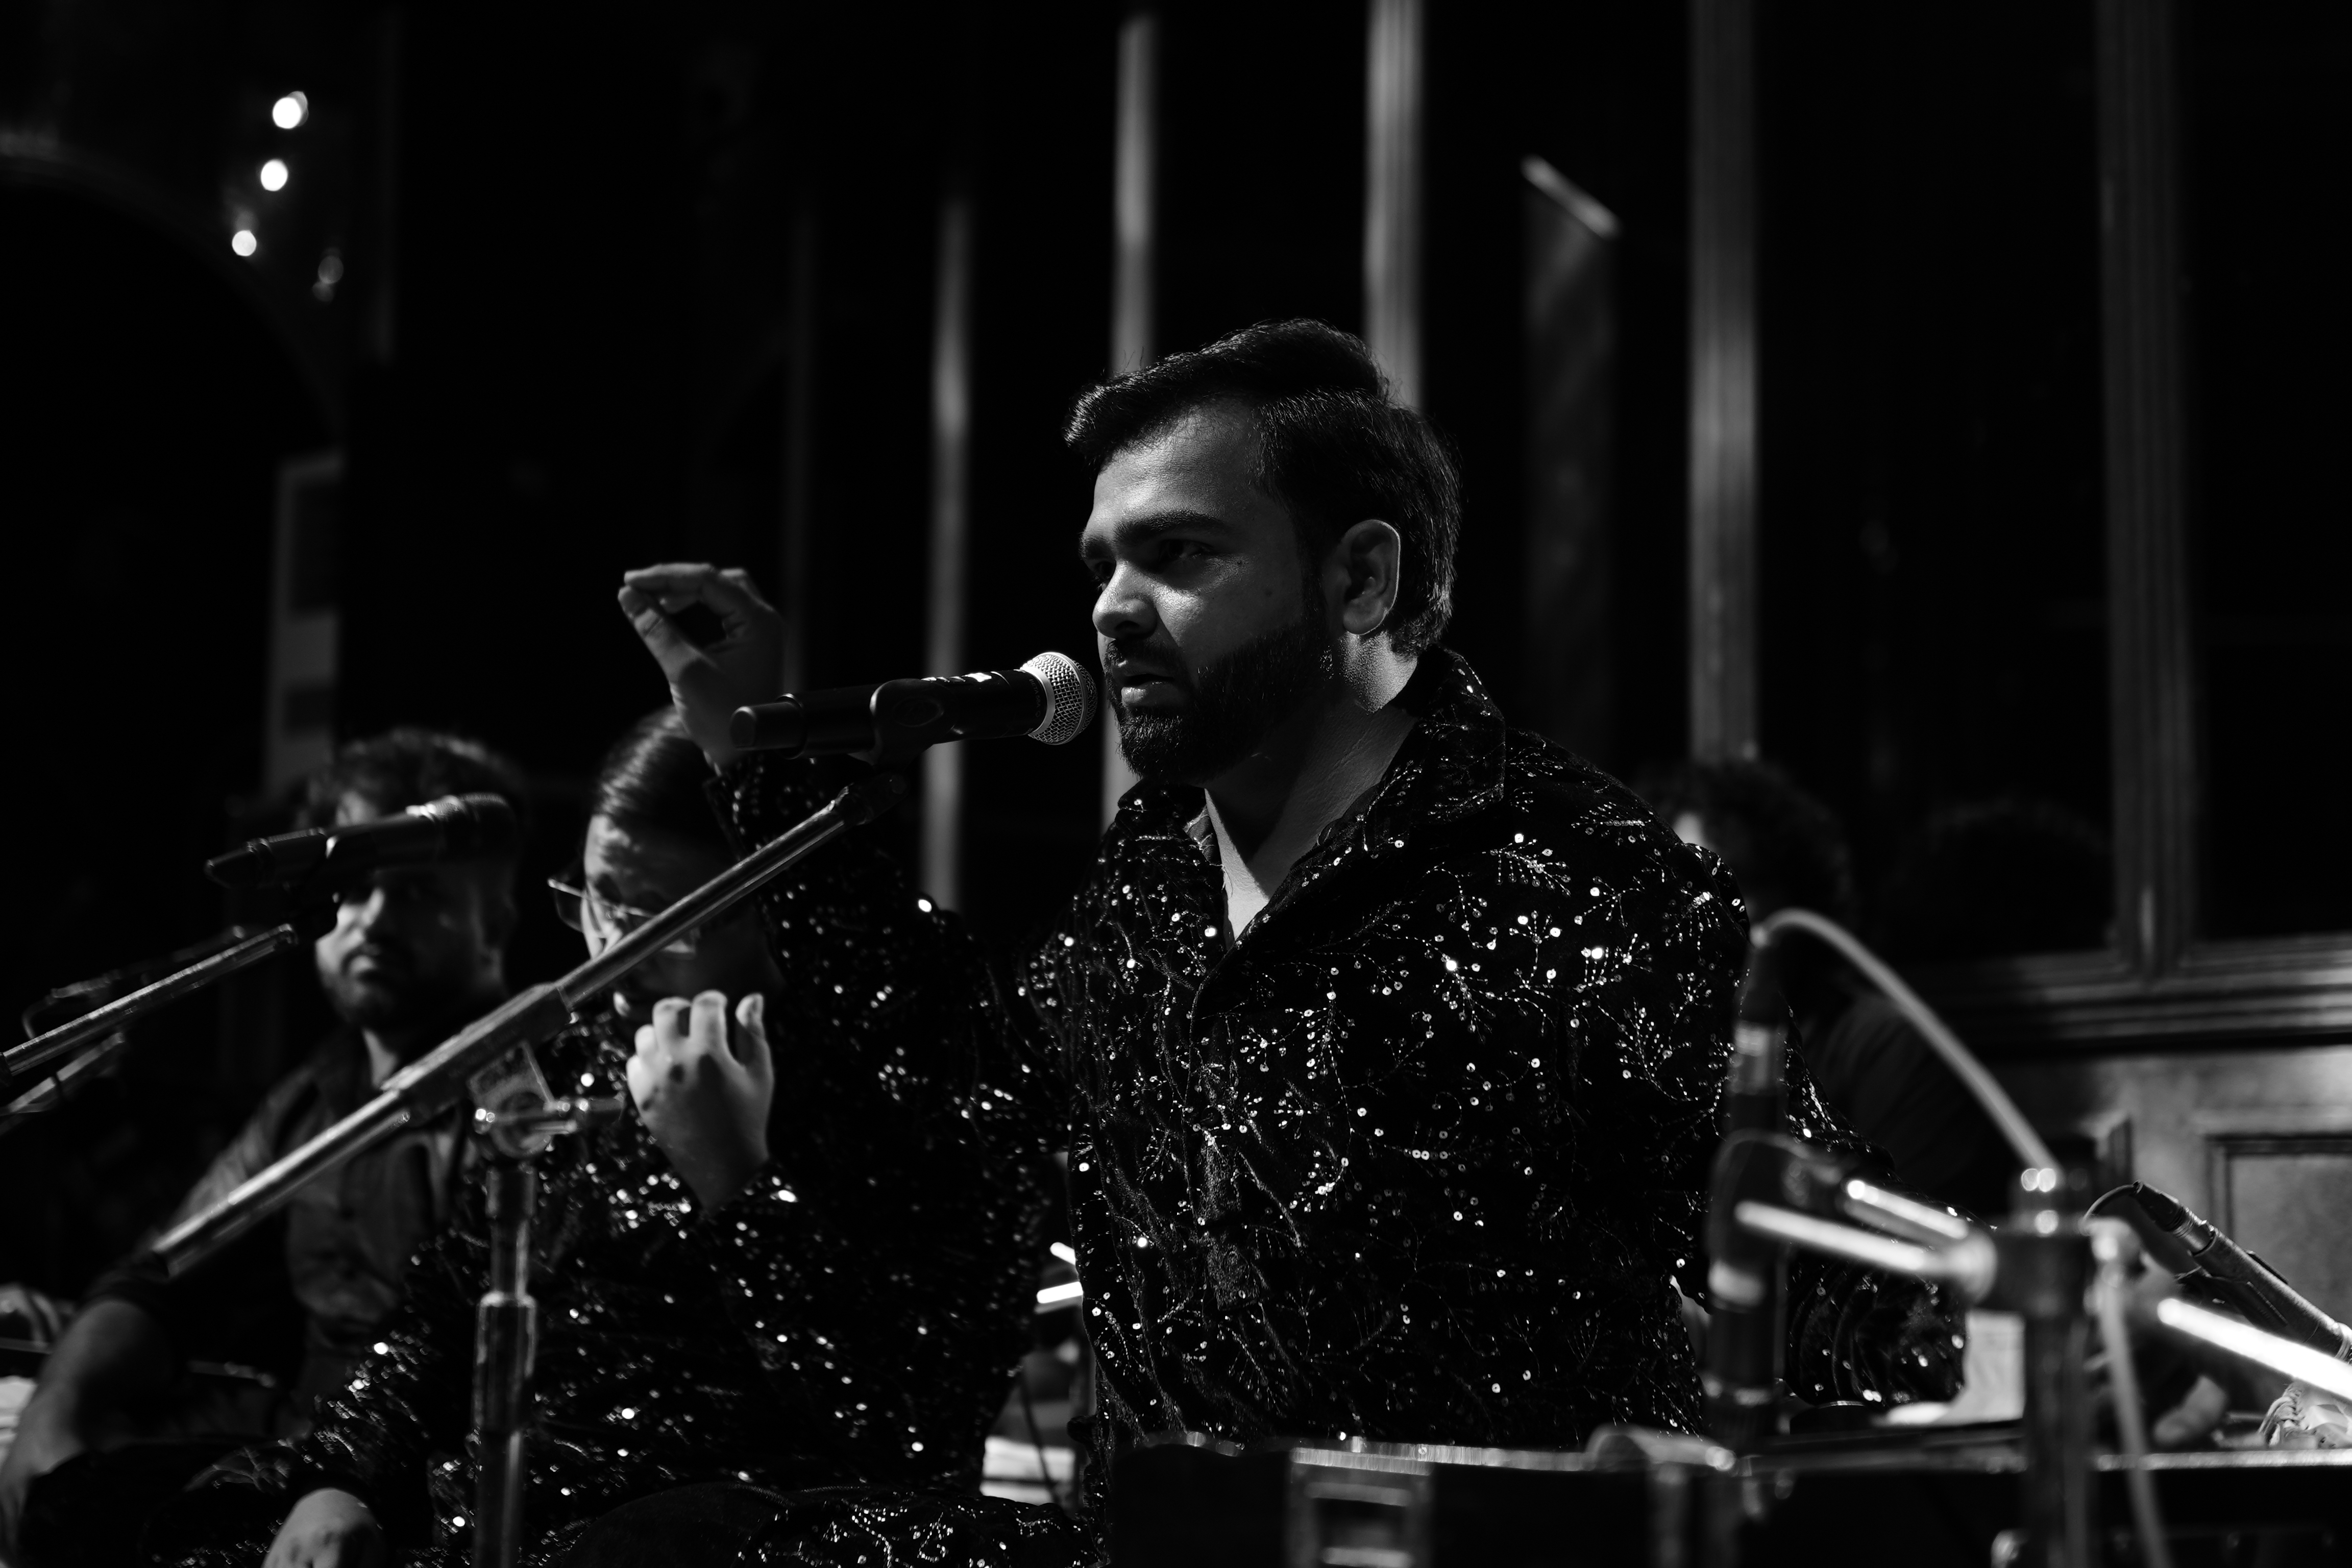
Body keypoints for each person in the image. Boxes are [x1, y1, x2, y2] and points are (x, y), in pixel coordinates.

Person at [612, 320, 1964, 1560]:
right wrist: (750, 747)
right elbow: (972, 1114)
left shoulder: (1579, 878)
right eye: (1102, 564)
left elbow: (1816, 1261)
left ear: (1361, 578)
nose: (1112, 607)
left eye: (1180, 555)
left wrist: (2014, 1334)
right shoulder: (1149, 882)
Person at [143, 710, 1047, 1567]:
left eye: (666, 917)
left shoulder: (893, 1094)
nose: (614, 949)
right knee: (136, 1505)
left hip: (698, 1541)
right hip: (491, 1512)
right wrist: (342, 1482)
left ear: (778, 915)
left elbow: (901, 1430)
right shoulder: (567, 1057)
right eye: (597, 898)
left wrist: (733, 1176)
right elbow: (440, 1317)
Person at [0, 730, 530, 1568]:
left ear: (493, 924)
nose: (374, 918)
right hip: (287, 1457)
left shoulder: (521, 1091)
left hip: (414, 1493)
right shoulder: (318, 1092)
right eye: (355, 888)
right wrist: (55, 1409)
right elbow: (166, 1273)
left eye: (418, 893)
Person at [1635, 760, 2016, 1217]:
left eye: (1727, 884)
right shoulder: (1641, 1050)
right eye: (1675, 889)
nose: (1694, 914)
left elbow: (1920, 1248)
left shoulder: (1887, 1050)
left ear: (1793, 895)